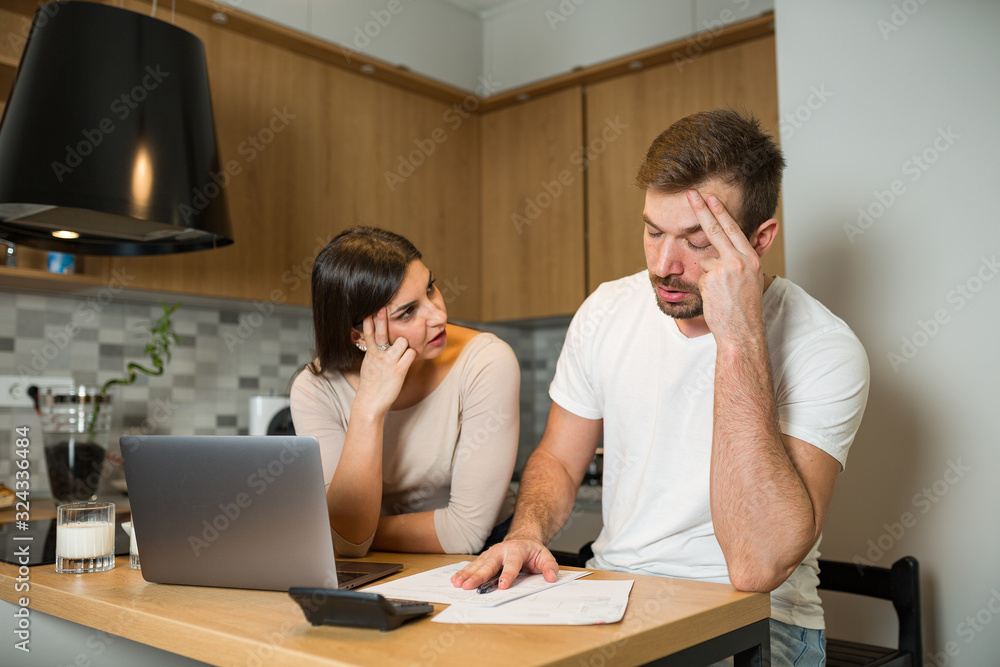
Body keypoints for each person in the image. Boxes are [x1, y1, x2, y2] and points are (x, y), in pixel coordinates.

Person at [452, 109, 870, 664]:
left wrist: (738, 336)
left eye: (697, 241)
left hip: (758, 616)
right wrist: (526, 532)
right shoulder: (606, 309)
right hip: (614, 593)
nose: (664, 264)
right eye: (653, 231)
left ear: (759, 240)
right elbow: (558, 459)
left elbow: (758, 565)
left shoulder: (824, 348)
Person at [290, 226, 519, 557]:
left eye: (430, 288)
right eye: (408, 312)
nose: (439, 316)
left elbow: (464, 534)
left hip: (487, 551)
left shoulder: (486, 360)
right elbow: (347, 542)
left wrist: (337, 531)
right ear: (359, 335)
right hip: (377, 560)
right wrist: (369, 408)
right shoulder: (314, 388)